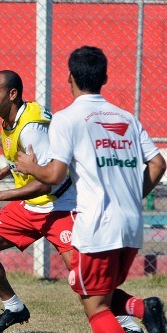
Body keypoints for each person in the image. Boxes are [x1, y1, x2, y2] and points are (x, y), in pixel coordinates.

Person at [0, 70, 143, 333]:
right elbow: (33, 156)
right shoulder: (10, 118)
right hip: (30, 206)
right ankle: (14, 307)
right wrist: (5, 171)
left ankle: (126, 322)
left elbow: (46, 181)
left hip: (61, 207)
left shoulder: (31, 127)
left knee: (85, 280)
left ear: (12, 94)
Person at [14, 46, 167, 333]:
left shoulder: (67, 118)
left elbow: (54, 175)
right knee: (101, 295)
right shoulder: (126, 118)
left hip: (98, 225)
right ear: (105, 77)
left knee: (96, 307)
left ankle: (146, 310)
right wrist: (132, 197)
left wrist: (29, 166)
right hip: (131, 226)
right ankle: (146, 310)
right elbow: (158, 164)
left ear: (69, 77)